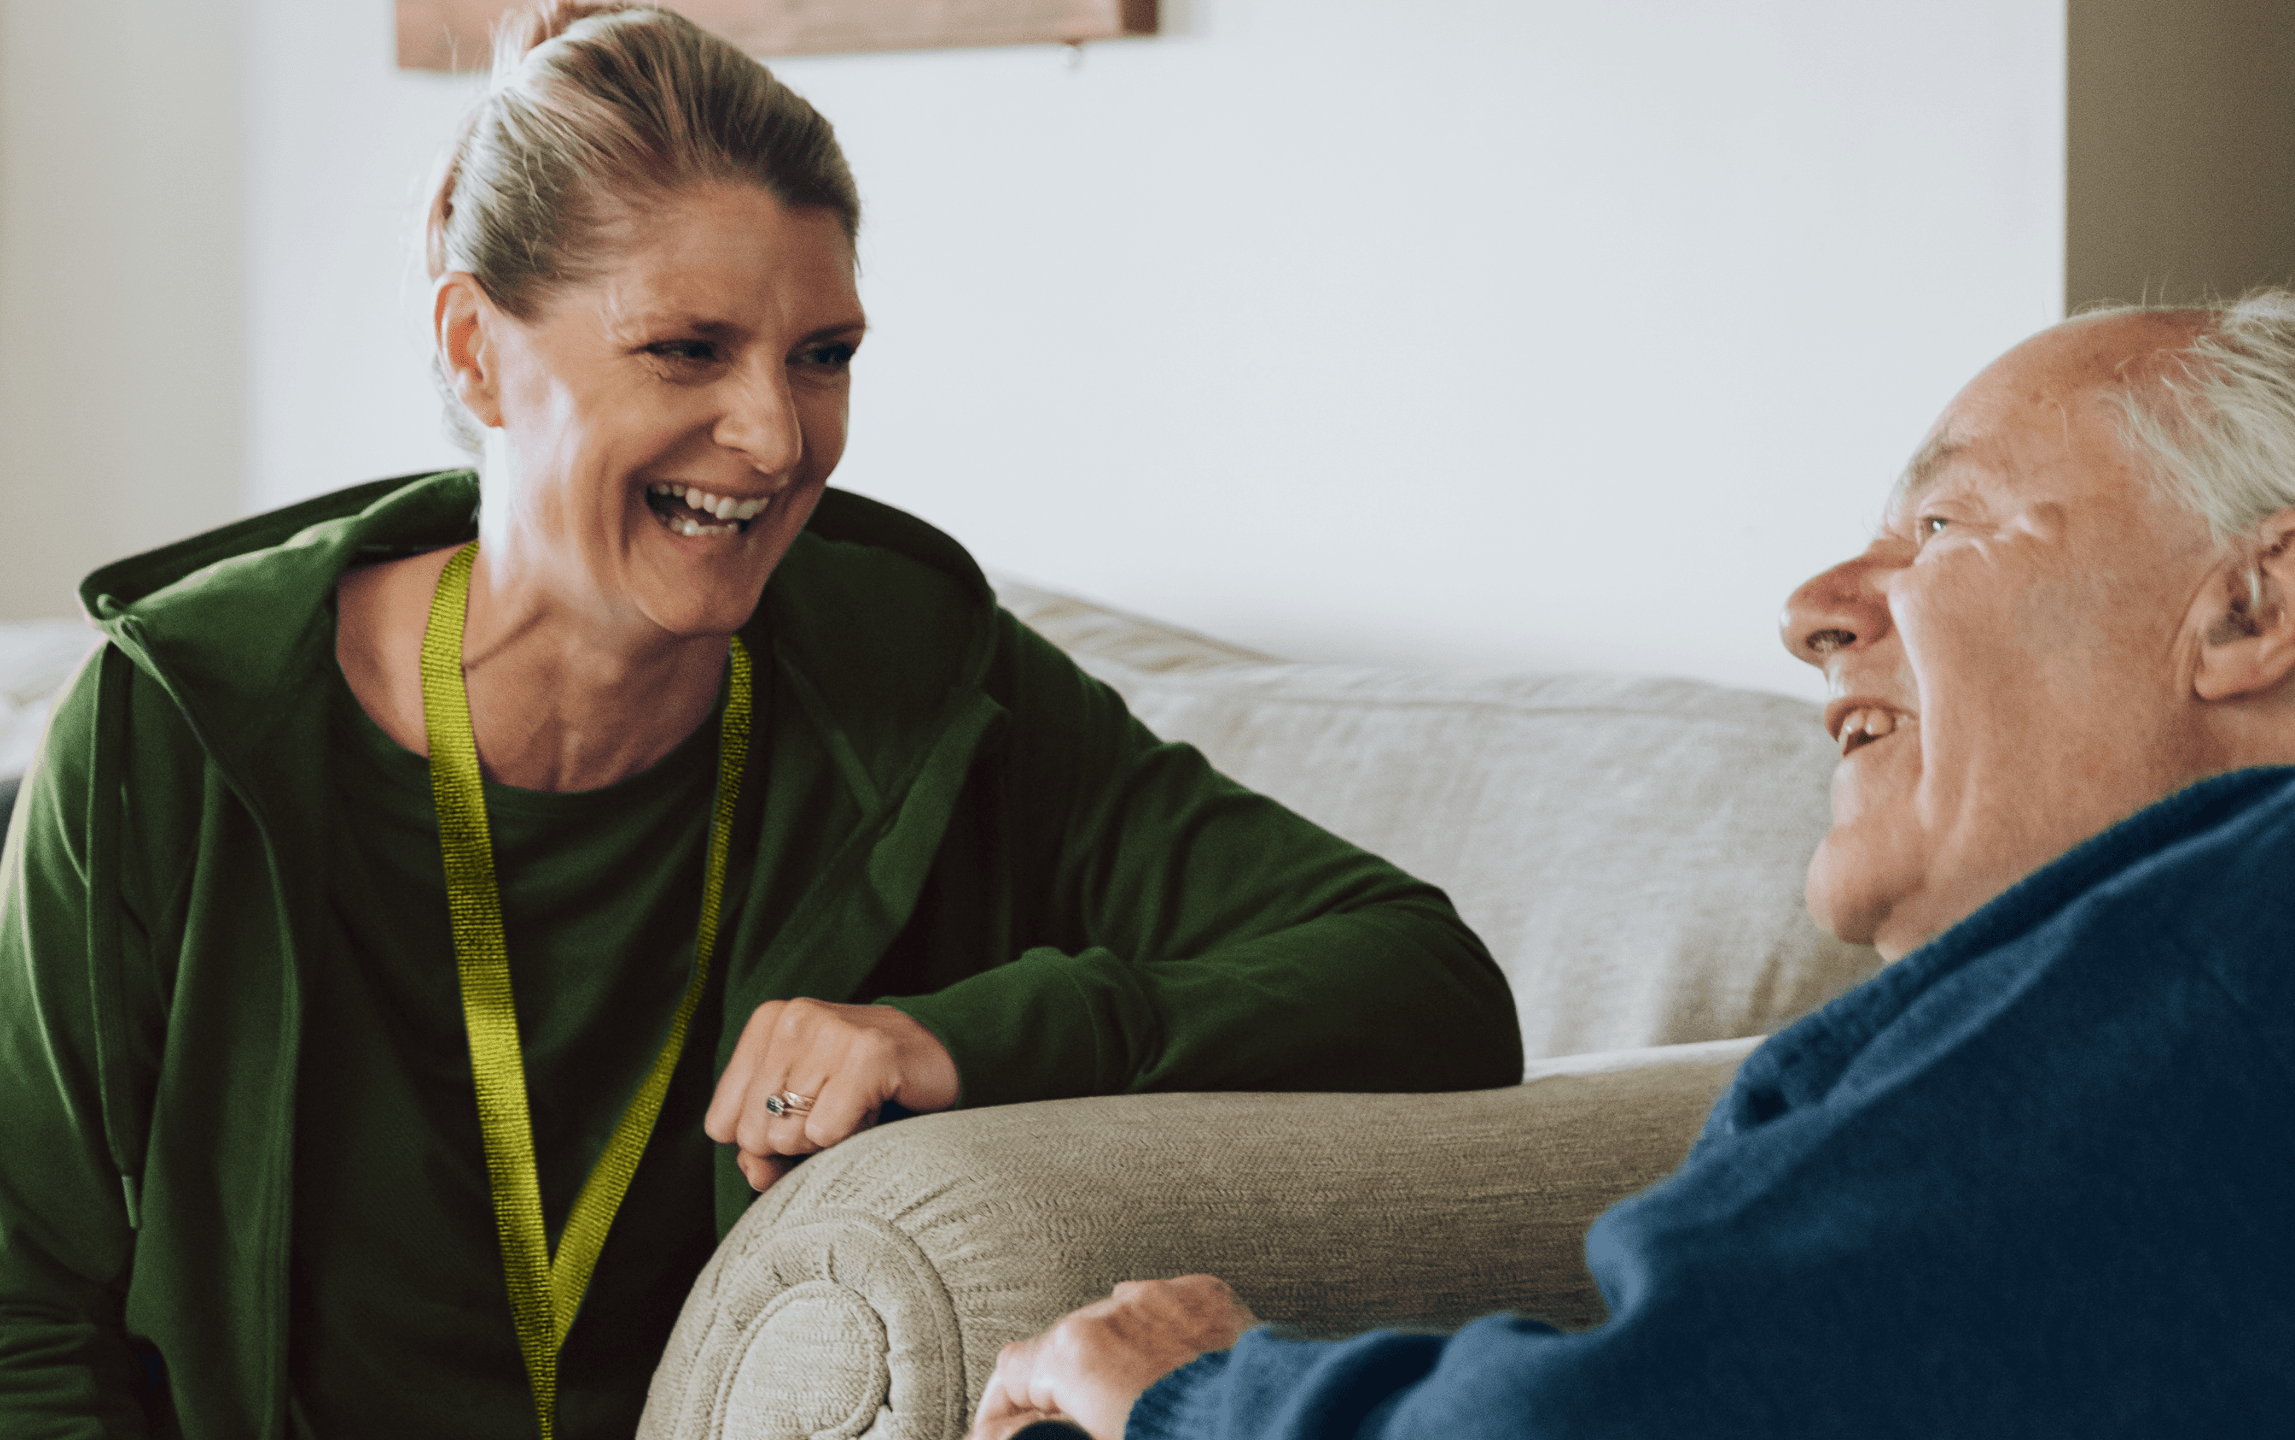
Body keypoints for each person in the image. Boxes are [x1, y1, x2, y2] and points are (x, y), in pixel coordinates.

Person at [0, 5, 1519, 1437]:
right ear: (481, 351)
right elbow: (11, 1324)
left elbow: (1428, 986)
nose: (774, 436)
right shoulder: (174, 731)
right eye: (687, 349)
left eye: (822, 357)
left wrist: (959, 1035)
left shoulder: (926, 680)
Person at [971, 293, 2295, 1438]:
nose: (1814, 613)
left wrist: (1201, 1399)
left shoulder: (2233, 924)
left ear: (2252, 608)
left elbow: (1631, 1423)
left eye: (1944, 526)